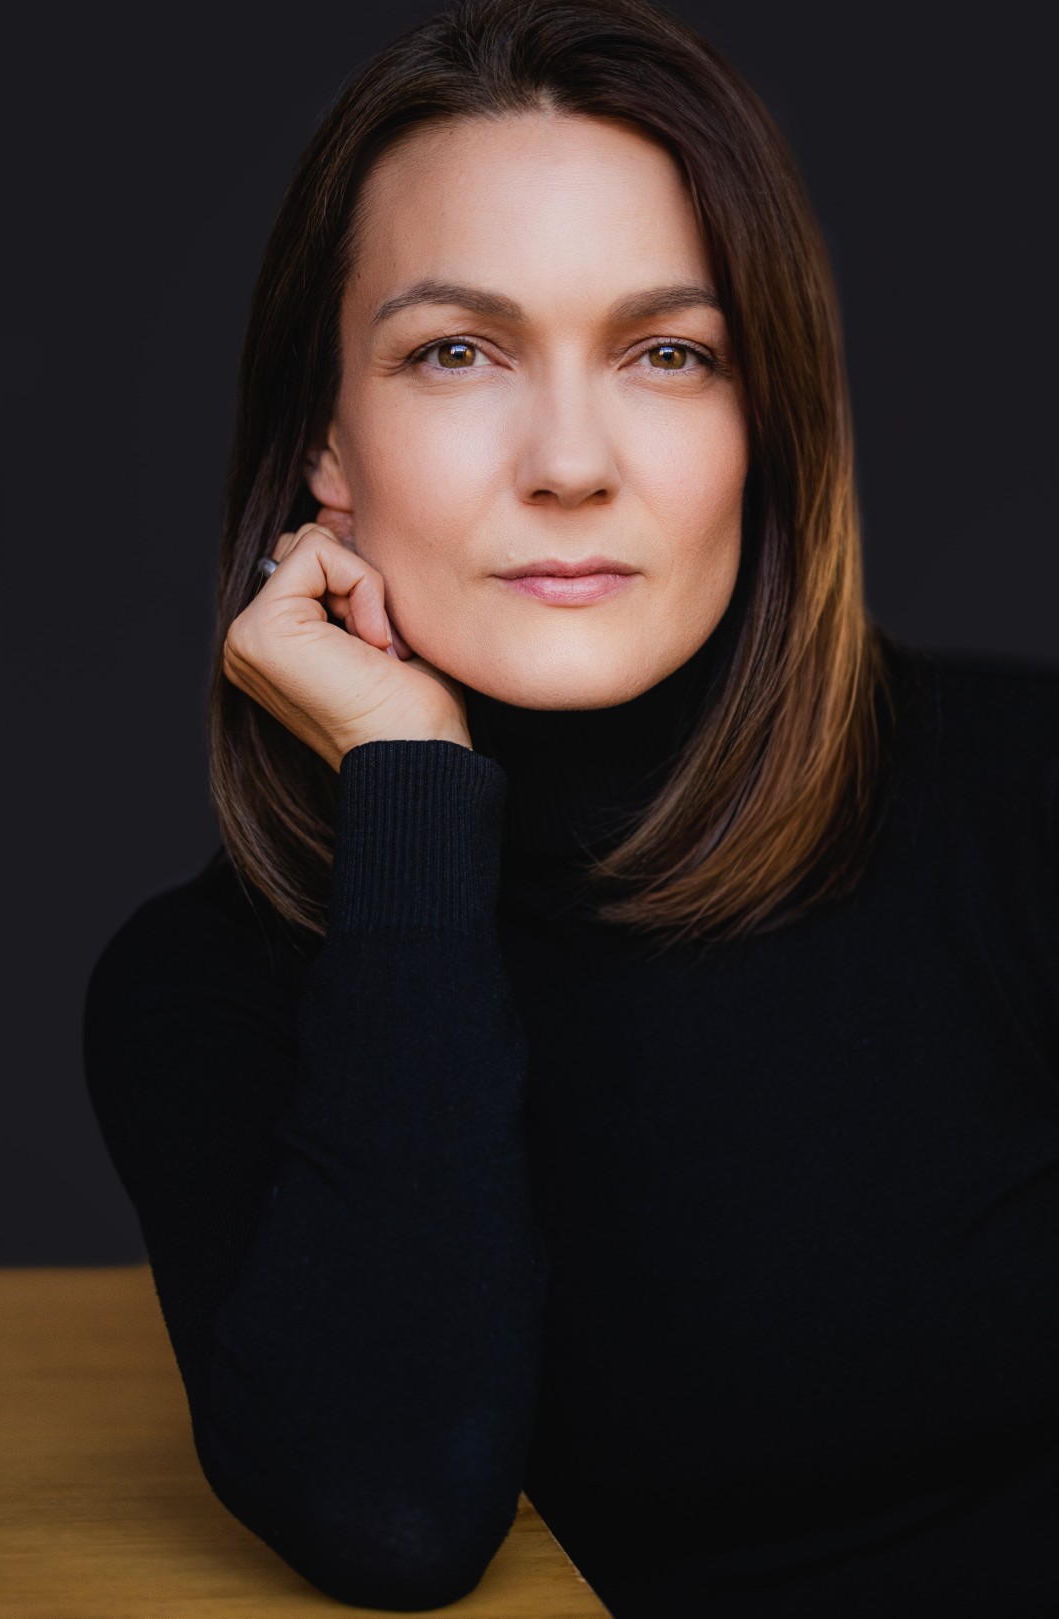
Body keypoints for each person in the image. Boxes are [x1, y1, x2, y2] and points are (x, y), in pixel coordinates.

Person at [82, 0, 1059, 1612]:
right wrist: (409, 786)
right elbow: (393, 1514)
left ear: (766, 420)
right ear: (328, 442)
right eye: (455, 352)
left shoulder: (1019, 809)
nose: (568, 463)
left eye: (669, 353)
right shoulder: (202, 992)